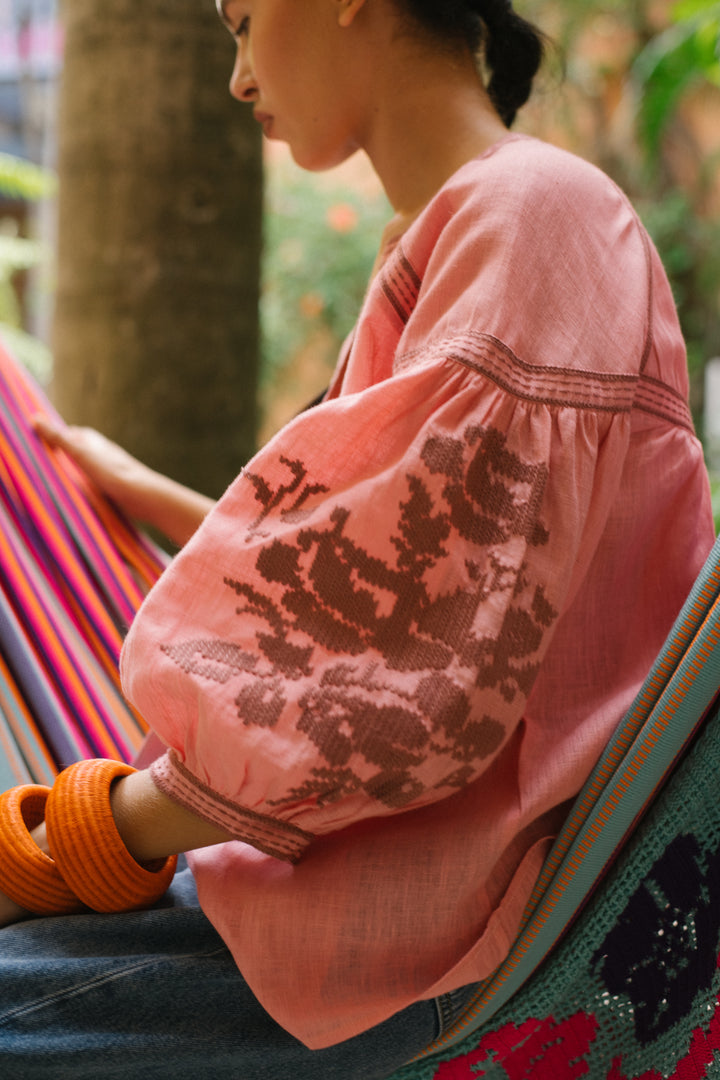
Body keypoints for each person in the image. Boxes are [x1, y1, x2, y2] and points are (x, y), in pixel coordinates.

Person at [0, 0, 715, 1076]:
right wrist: (145, 492)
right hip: (427, 887)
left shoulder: (527, 215)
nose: (238, 79)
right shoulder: (504, 221)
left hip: (431, 934)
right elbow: (431, 595)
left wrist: (77, 835)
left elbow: (398, 687)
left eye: (241, 24)